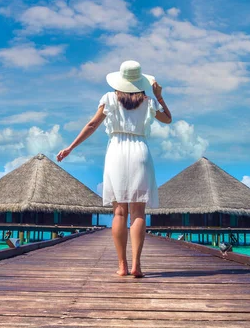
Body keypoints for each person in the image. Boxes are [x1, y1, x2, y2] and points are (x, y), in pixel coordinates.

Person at [56, 60, 172, 278]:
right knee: (138, 212)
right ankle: (137, 265)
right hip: (140, 152)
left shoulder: (108, 99)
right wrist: (159, 96)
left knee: (119, 211)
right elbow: (168, 119)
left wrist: (71, 147)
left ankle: (122, 266)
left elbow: (92, 125)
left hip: (116, 151)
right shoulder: (148, 102)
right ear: (141, 82)